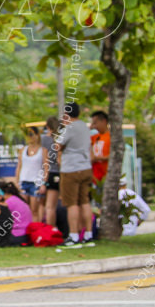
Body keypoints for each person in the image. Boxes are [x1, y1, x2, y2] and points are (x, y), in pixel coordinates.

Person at [58, 103, 95, 247]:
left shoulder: (68, 128)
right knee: (85, 202)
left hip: (71, 169)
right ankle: (88, 234)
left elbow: (58, 145)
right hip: (85, 167)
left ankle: (73, 235)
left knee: (71, 203)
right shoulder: (85, 127)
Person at [14, 127, 46, 220]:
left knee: (34, 209)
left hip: (36, 182)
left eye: (31, 134)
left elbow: (46, 168)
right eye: (27, 135)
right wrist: (17, 181)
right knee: (23, 209)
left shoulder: (43, 151)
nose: (29, 137)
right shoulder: (22, 150)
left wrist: (43, 183)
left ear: (37, 135)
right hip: (23, 181)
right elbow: (19, 166)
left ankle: (35, 230)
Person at [38, 116, 62, 227]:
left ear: (47, 126)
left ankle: (40, 228)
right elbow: (59, 160)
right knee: (51, 206)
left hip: (42, 173)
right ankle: (51, 229)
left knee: (41, 204)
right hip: (55, 173)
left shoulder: (42, 139)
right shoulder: (59, 140)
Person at [89, 110, 111, 185]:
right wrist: (91, 127)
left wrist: (98, 158)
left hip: (107, 175)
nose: (95, 126)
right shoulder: (94, 137)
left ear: (104, 121)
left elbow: (114, 156)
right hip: (94, 176)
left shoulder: (111, 137)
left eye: (95, 123)